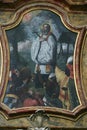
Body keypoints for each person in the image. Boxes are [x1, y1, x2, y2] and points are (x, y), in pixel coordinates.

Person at [31, 23, 57, 88]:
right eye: (44, 28)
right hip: (38, 66)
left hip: (47, 66)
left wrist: (45, 41)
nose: (45, 29)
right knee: (38, 85)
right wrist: (38, 42)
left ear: (49, 29)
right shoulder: (39, 36)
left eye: (46, 28)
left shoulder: (51, 38)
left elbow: (52, 49)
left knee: (48, 85)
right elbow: (34, 47)